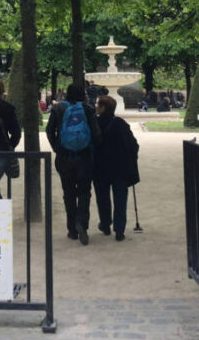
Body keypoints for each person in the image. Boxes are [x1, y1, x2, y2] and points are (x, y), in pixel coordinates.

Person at [46, 82, 102, 245]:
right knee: (85, 192)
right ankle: (82, 223)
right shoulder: (88, 109)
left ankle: (71, 229)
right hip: (84, 157)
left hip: (65, 157)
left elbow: (50, 131)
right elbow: (96, 133)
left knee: (68, 193)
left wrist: (58, 147)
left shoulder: (58, 109)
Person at [93, 95, 139, 241]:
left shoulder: (95, 123)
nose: (96, 107)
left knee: (103, 197)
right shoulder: (121, 124)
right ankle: (119, 230)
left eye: (98, 105)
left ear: (103, 107)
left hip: (100, 167)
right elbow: (133, 145)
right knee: (120, 199)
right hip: (120, 168)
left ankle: (105, 224)